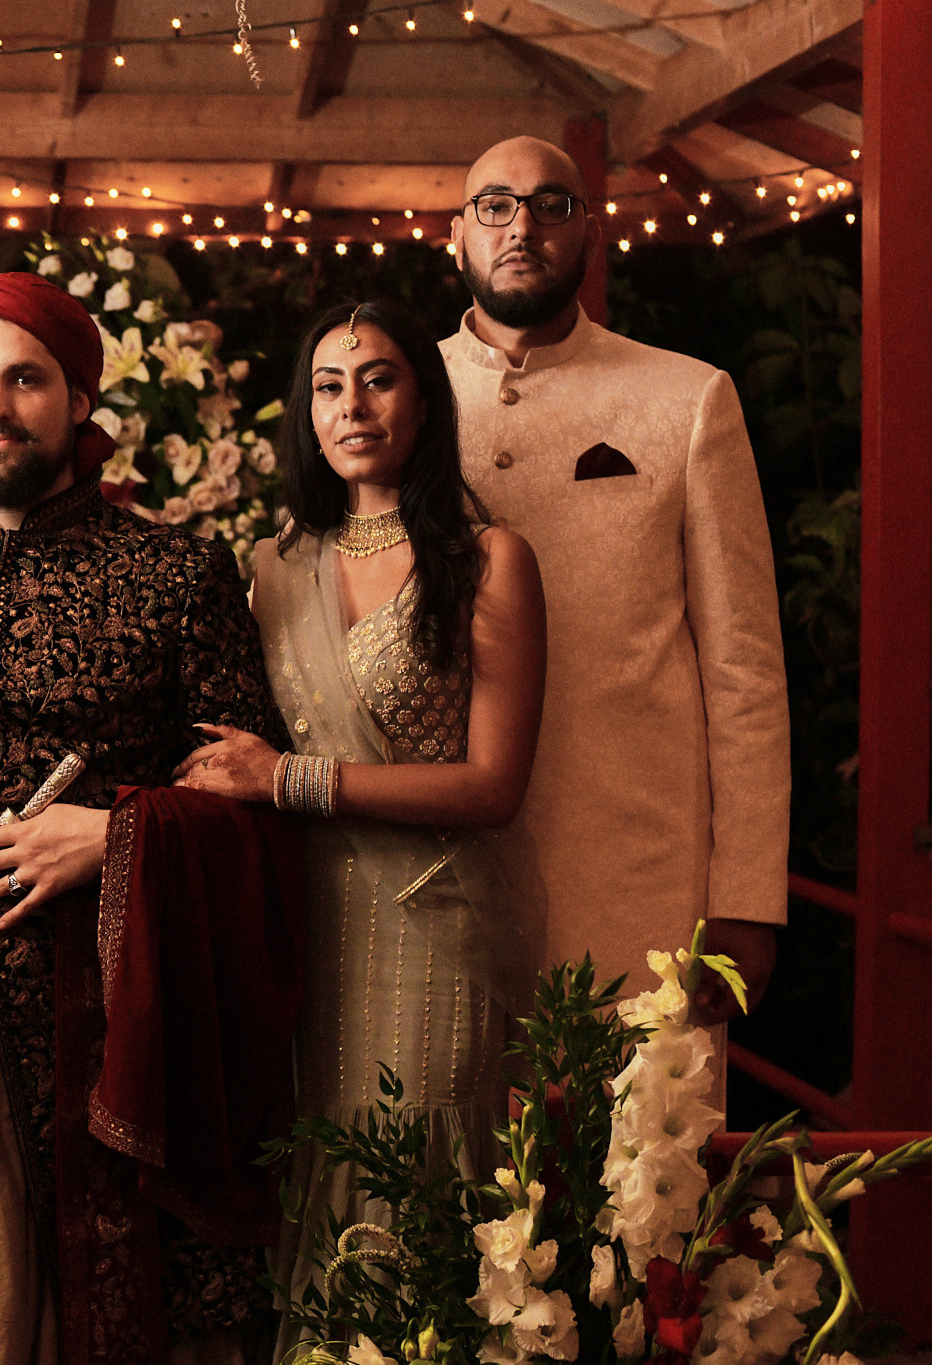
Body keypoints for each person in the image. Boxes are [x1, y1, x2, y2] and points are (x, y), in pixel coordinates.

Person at [0, 271, 301, 1365]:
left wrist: (115, 841)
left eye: (25, 378)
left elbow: (250, 798)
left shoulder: (174, 572)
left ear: (77, 400)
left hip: (116, 997)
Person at [172, 299, 547, 1323]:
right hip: (303, 923)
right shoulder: (272, 569)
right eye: (327, 387)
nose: (352, 404)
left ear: (423, 402)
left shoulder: (484, 560)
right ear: (304, 413)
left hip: (433, 921)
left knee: (412, 1167)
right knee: (313, 1161)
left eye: (378, 378)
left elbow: (490, 786)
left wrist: (289, 779)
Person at [443, 136, 790, 1021]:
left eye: (550, 204)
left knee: (643, 1157)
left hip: (641, 885)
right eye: (495, 205)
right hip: (437, 884)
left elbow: (744, 666)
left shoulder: (686, 399)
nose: (521, 226)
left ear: (589, 232)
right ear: (457, 236)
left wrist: (747, 895)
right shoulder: (396, 398)